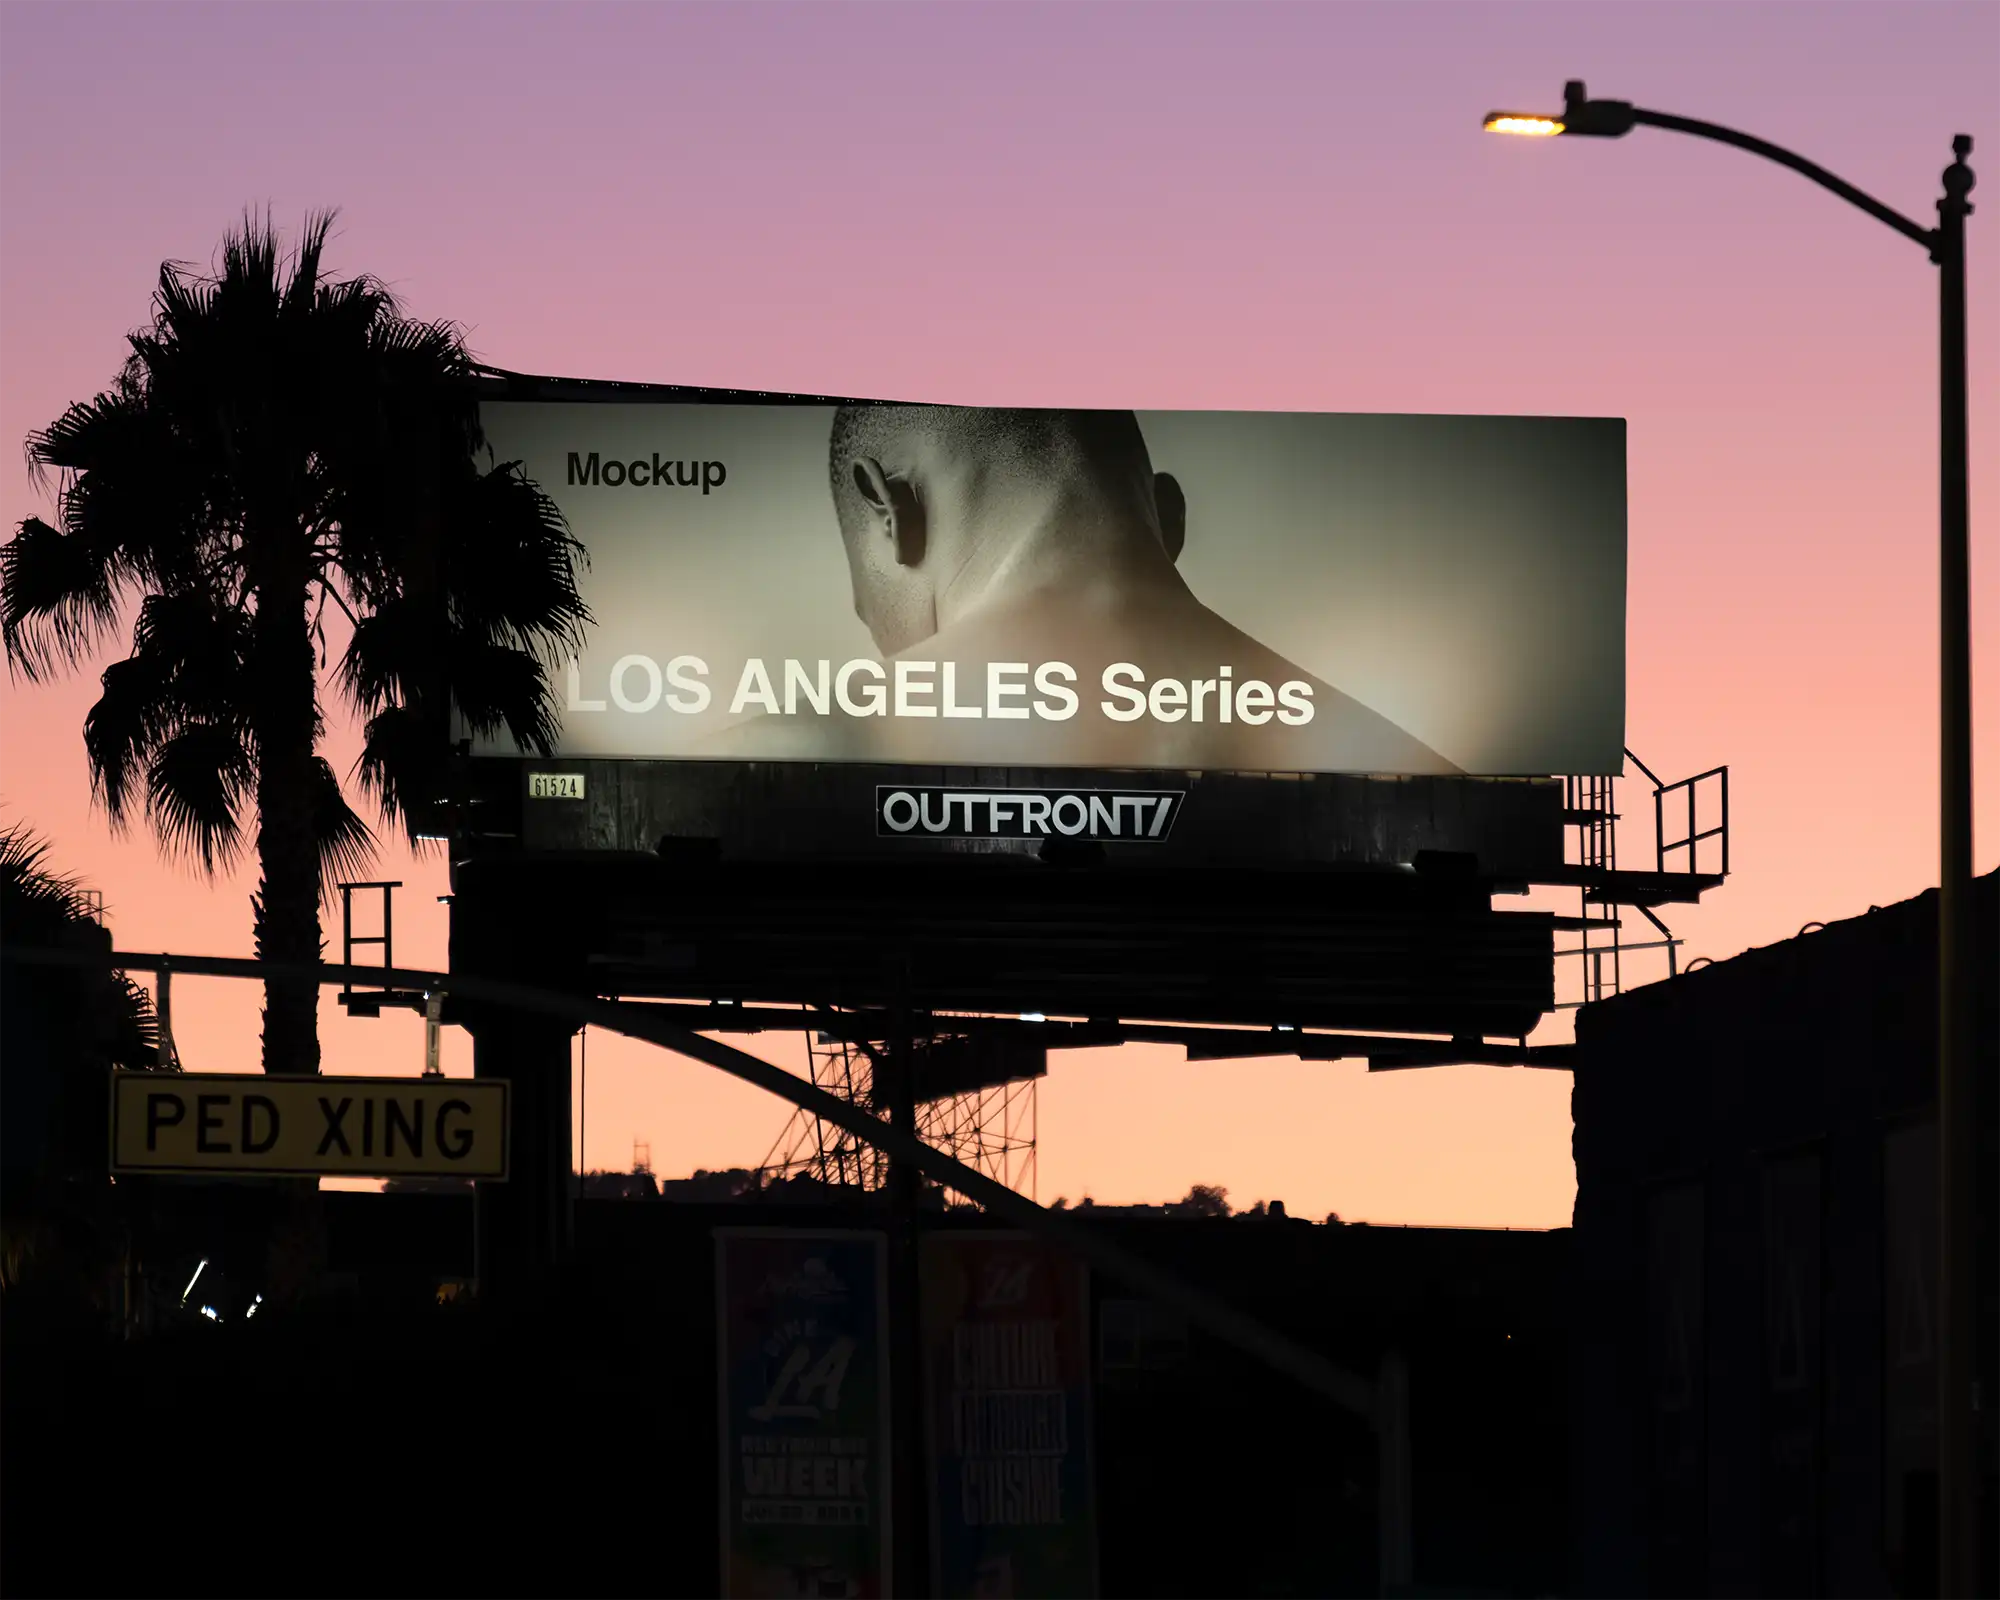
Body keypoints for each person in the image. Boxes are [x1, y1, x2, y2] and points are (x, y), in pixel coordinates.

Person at [705, 405, 1456, 773]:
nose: (881, 640)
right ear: (1169, 517)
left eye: (873, 615)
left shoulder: (777, 760)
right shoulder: (1424, 781)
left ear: (887, 512)